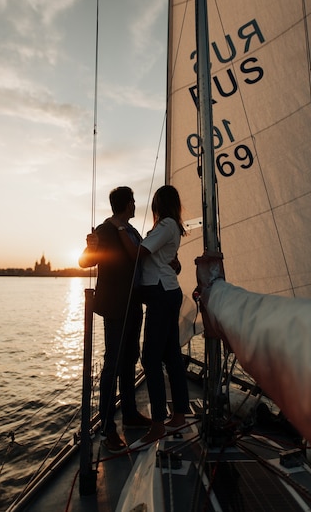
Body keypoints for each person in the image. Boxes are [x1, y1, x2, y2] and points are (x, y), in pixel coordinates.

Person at [108, 185, 190, 447]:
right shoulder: (168, 227)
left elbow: (136, 255)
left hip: (161, 296)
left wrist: (118, 227)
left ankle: (158, 424)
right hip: (165, 293)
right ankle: (178, 416)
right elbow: (167, 259)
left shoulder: (166, 225)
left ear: (160, 204)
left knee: (151, 358)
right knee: (171, 355)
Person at [79, 186, 151, 453]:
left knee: (130, 358)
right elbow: (85, 262)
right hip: (115, 306)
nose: (135, 205)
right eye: (133, 201)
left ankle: (130, 414)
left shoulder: (131, 231)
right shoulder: (106, 230)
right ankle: (108, 427)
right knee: (113, 363)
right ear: (126, 204)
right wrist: (90, 248)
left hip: (133, 304)